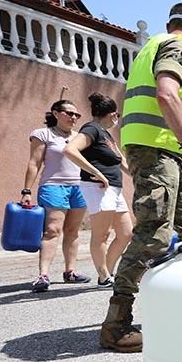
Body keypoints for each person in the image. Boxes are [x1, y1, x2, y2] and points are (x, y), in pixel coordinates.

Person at [99, 2, 182, 352]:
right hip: (159, 150)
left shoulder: (151, 46)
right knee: (154, 233)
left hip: (162, 153)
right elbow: (166, 94)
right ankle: (116, 323)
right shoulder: (179, 47)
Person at [20, 99, 91, 292]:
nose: (73, 118)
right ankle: (43, 275)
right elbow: (34, 163)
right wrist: (26, 191)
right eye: (69, 113)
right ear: (56, 113)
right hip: (53, 186)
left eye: (77, 115)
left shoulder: (79, 137)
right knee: (52, 230)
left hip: (79, 187)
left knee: (73, 231)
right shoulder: (43, 134)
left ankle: (71, 271)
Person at [63, 92, 133, 287]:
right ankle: (103, 276)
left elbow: (121, 161)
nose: (117, 119)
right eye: (117, 115)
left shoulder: (106, 135)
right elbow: (70, 150)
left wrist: (139, 177)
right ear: (112, 114)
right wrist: (96, 172)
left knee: (126, 233)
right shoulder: (91, 129)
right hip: (98, 187)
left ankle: (108, 273)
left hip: (115, 189)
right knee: (102, 234)